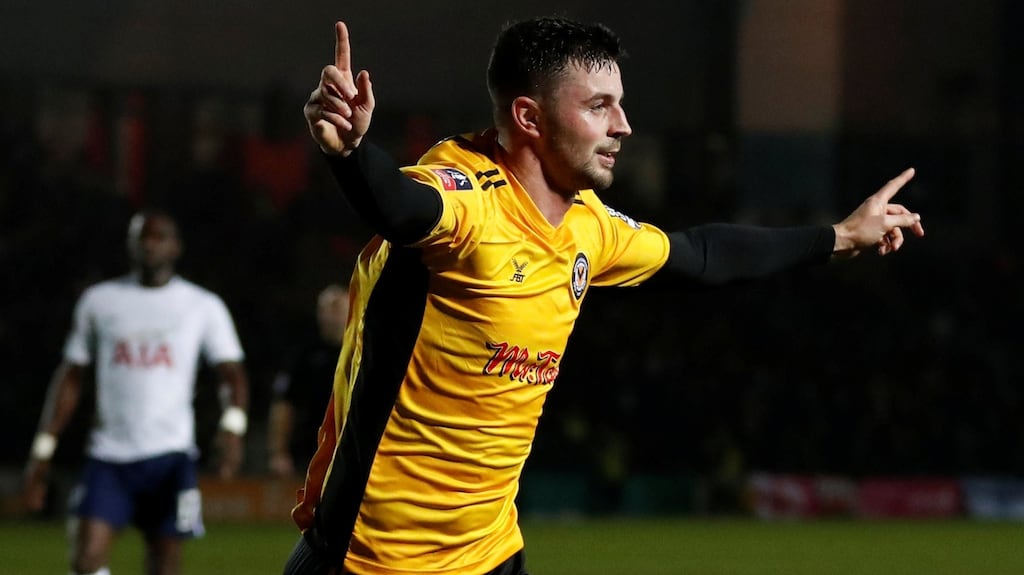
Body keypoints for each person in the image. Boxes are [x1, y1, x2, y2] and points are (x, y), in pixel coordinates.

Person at [282, 17, 925, 575]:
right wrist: (353, 155)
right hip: (374, 558)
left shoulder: (589, 224)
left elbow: (701, 255)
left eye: (619, 105)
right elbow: (402, 207)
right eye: (599, 107)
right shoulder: (467, 197)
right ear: (529, 117)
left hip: (491, 552)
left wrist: (840, 236)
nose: (623, 125)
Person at [23, 210, 250, 575]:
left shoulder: (202, 305)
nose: (149, 244)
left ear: (176, 247)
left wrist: (233, 428)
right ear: (129, 245)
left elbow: (231, 373)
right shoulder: (99, 301)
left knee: (164, 565)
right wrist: (43, 448)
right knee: (85, 560)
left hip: (171, 457)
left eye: (159, 237)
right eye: (141, 236)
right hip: (109, 455)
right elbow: (71, 377)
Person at [268, 284, 350, 477]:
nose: (330, 316)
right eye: (324, 310)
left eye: (336, 309)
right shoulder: (303, 355)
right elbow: (284, 405)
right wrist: (278, 452)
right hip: (309, 451)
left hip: (351, 448)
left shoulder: (363, 351)